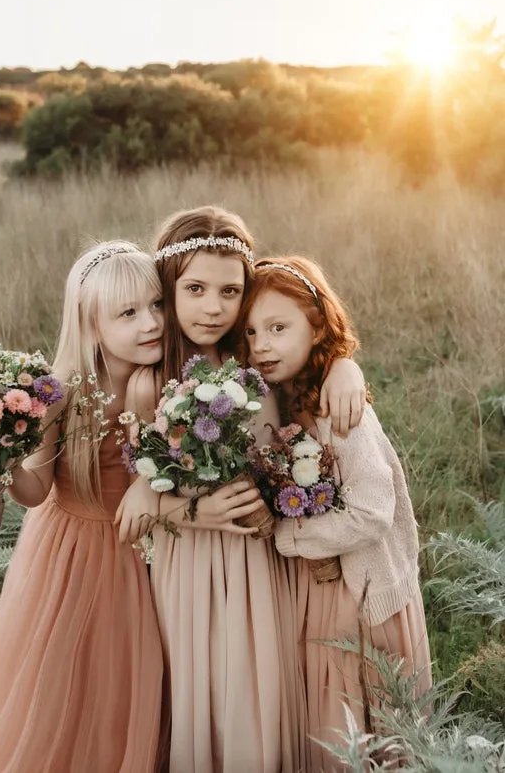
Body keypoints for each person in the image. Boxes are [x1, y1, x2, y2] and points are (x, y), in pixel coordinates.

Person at [116, 207, 367, 773]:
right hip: (190, 565)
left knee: (261, 686)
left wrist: (345, 366)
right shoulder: (149, 380)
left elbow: (311, 347)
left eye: (230, 291)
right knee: (202, 690)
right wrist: (181, 506)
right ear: (168, 287)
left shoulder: (256, 361)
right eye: (196, 288)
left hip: (260, 560)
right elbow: (141, 488)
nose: (214, 307)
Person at [0, 241, 165, 773]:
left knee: (127, 676)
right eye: (129, 313)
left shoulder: (164, 382)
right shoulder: (59, 393)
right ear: (91, 325)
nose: (151, 322)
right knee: (62, 676)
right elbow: (35, 490)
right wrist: (4, 463)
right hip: (72, 550)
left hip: (143, 552)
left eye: (157, 304)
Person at [241, 255, 432, 772]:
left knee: (364, 720)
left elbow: (372, 510)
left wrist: (288, 537)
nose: (262, 345)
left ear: (318, 323)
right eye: (252, 332)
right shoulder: (271, 399)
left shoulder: (340, 407)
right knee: (325, 719)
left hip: (362, 596)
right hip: (313, 594)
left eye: (279, 328)